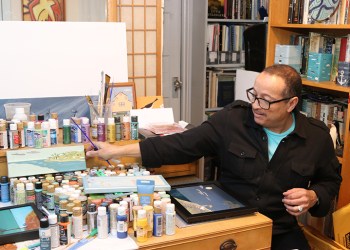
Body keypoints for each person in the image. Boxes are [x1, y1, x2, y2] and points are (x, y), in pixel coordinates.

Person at [86, 64, 342, 249]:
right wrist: (115, 151)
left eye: (266, 100)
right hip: (228, 223)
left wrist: (314, 196)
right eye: (254, 95)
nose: (255, 105)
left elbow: (330, 182)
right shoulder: (233, 121)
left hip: (281, 230)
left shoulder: (317, 137)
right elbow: (179, 145)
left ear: (291, 104)